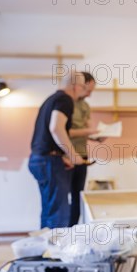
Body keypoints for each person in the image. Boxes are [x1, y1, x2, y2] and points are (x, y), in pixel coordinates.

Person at [28, 72, 89, 229]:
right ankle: (56, 253)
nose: (83, 91)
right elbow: (56, 128)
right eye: (83, 87)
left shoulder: (51, 99)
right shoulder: (65, 100)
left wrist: (61, 156)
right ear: (76, 87)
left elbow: (47, 135)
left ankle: (45, 251)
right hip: (49, 162)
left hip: (39, 159)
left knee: (49, 211)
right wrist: (73, 155)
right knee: (59, 214)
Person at [68, 72, 98, 226]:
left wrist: (98, 136)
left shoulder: (85, 106)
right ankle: (60, 234)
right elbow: (61, 131)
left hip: (82, 156)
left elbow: (87, 130)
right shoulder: (65, 103)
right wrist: (88, 132)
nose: (89, 94)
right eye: (88, 90)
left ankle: (72, 231)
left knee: (77, 198)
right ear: (79, 85)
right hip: (65, 156)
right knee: (60, 201)